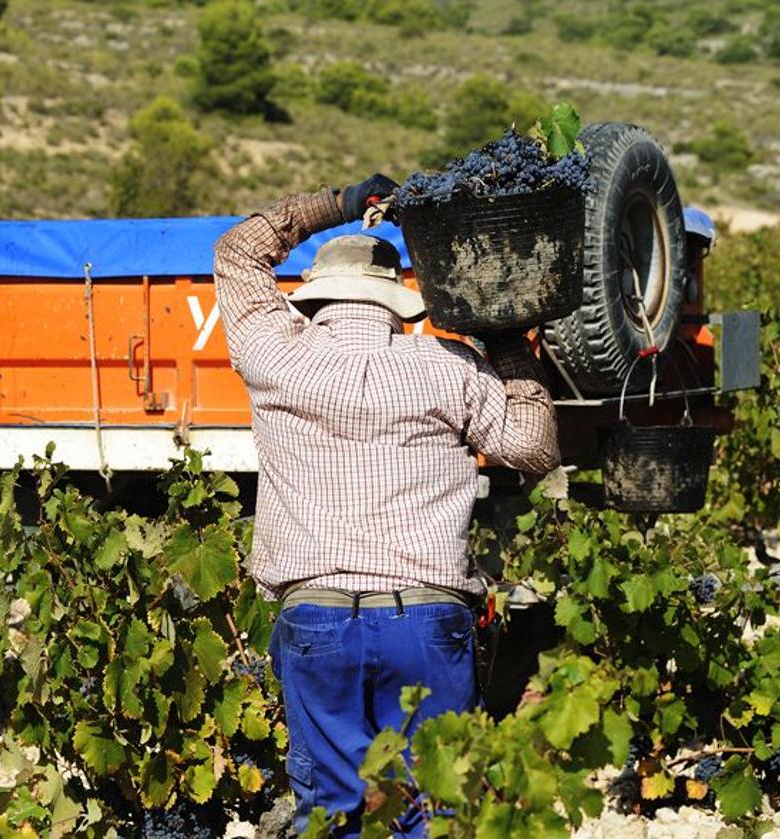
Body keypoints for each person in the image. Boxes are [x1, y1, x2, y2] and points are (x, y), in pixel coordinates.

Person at [212, 176, 560, 836]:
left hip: (315, 616)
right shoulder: (449, 365)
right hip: (428, 620)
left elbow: (237, 250)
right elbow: (534, 448)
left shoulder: (272, 352)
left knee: (331, 814)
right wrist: (511, 337)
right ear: (394, 301)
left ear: (316, 296)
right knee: (433, 809)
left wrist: (338, 202)